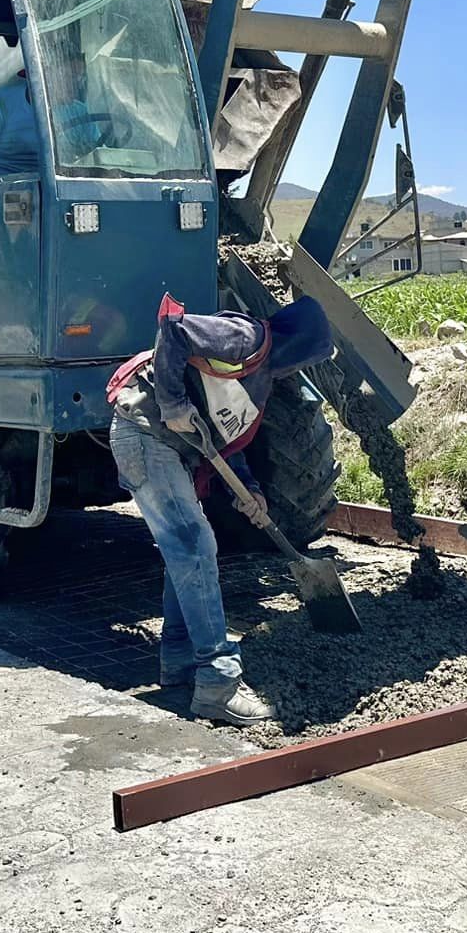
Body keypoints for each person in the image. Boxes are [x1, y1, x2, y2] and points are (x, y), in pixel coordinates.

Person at [105, 293, 333, 724]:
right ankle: (218, 682)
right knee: (194, 545)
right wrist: (173, 405)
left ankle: (179, 659)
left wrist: (249, 490)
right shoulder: (246, 337)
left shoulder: (260, 380)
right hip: (145, 431)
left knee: (185, 550)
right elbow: (173, 328)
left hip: (166, 447)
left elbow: (226, 440)